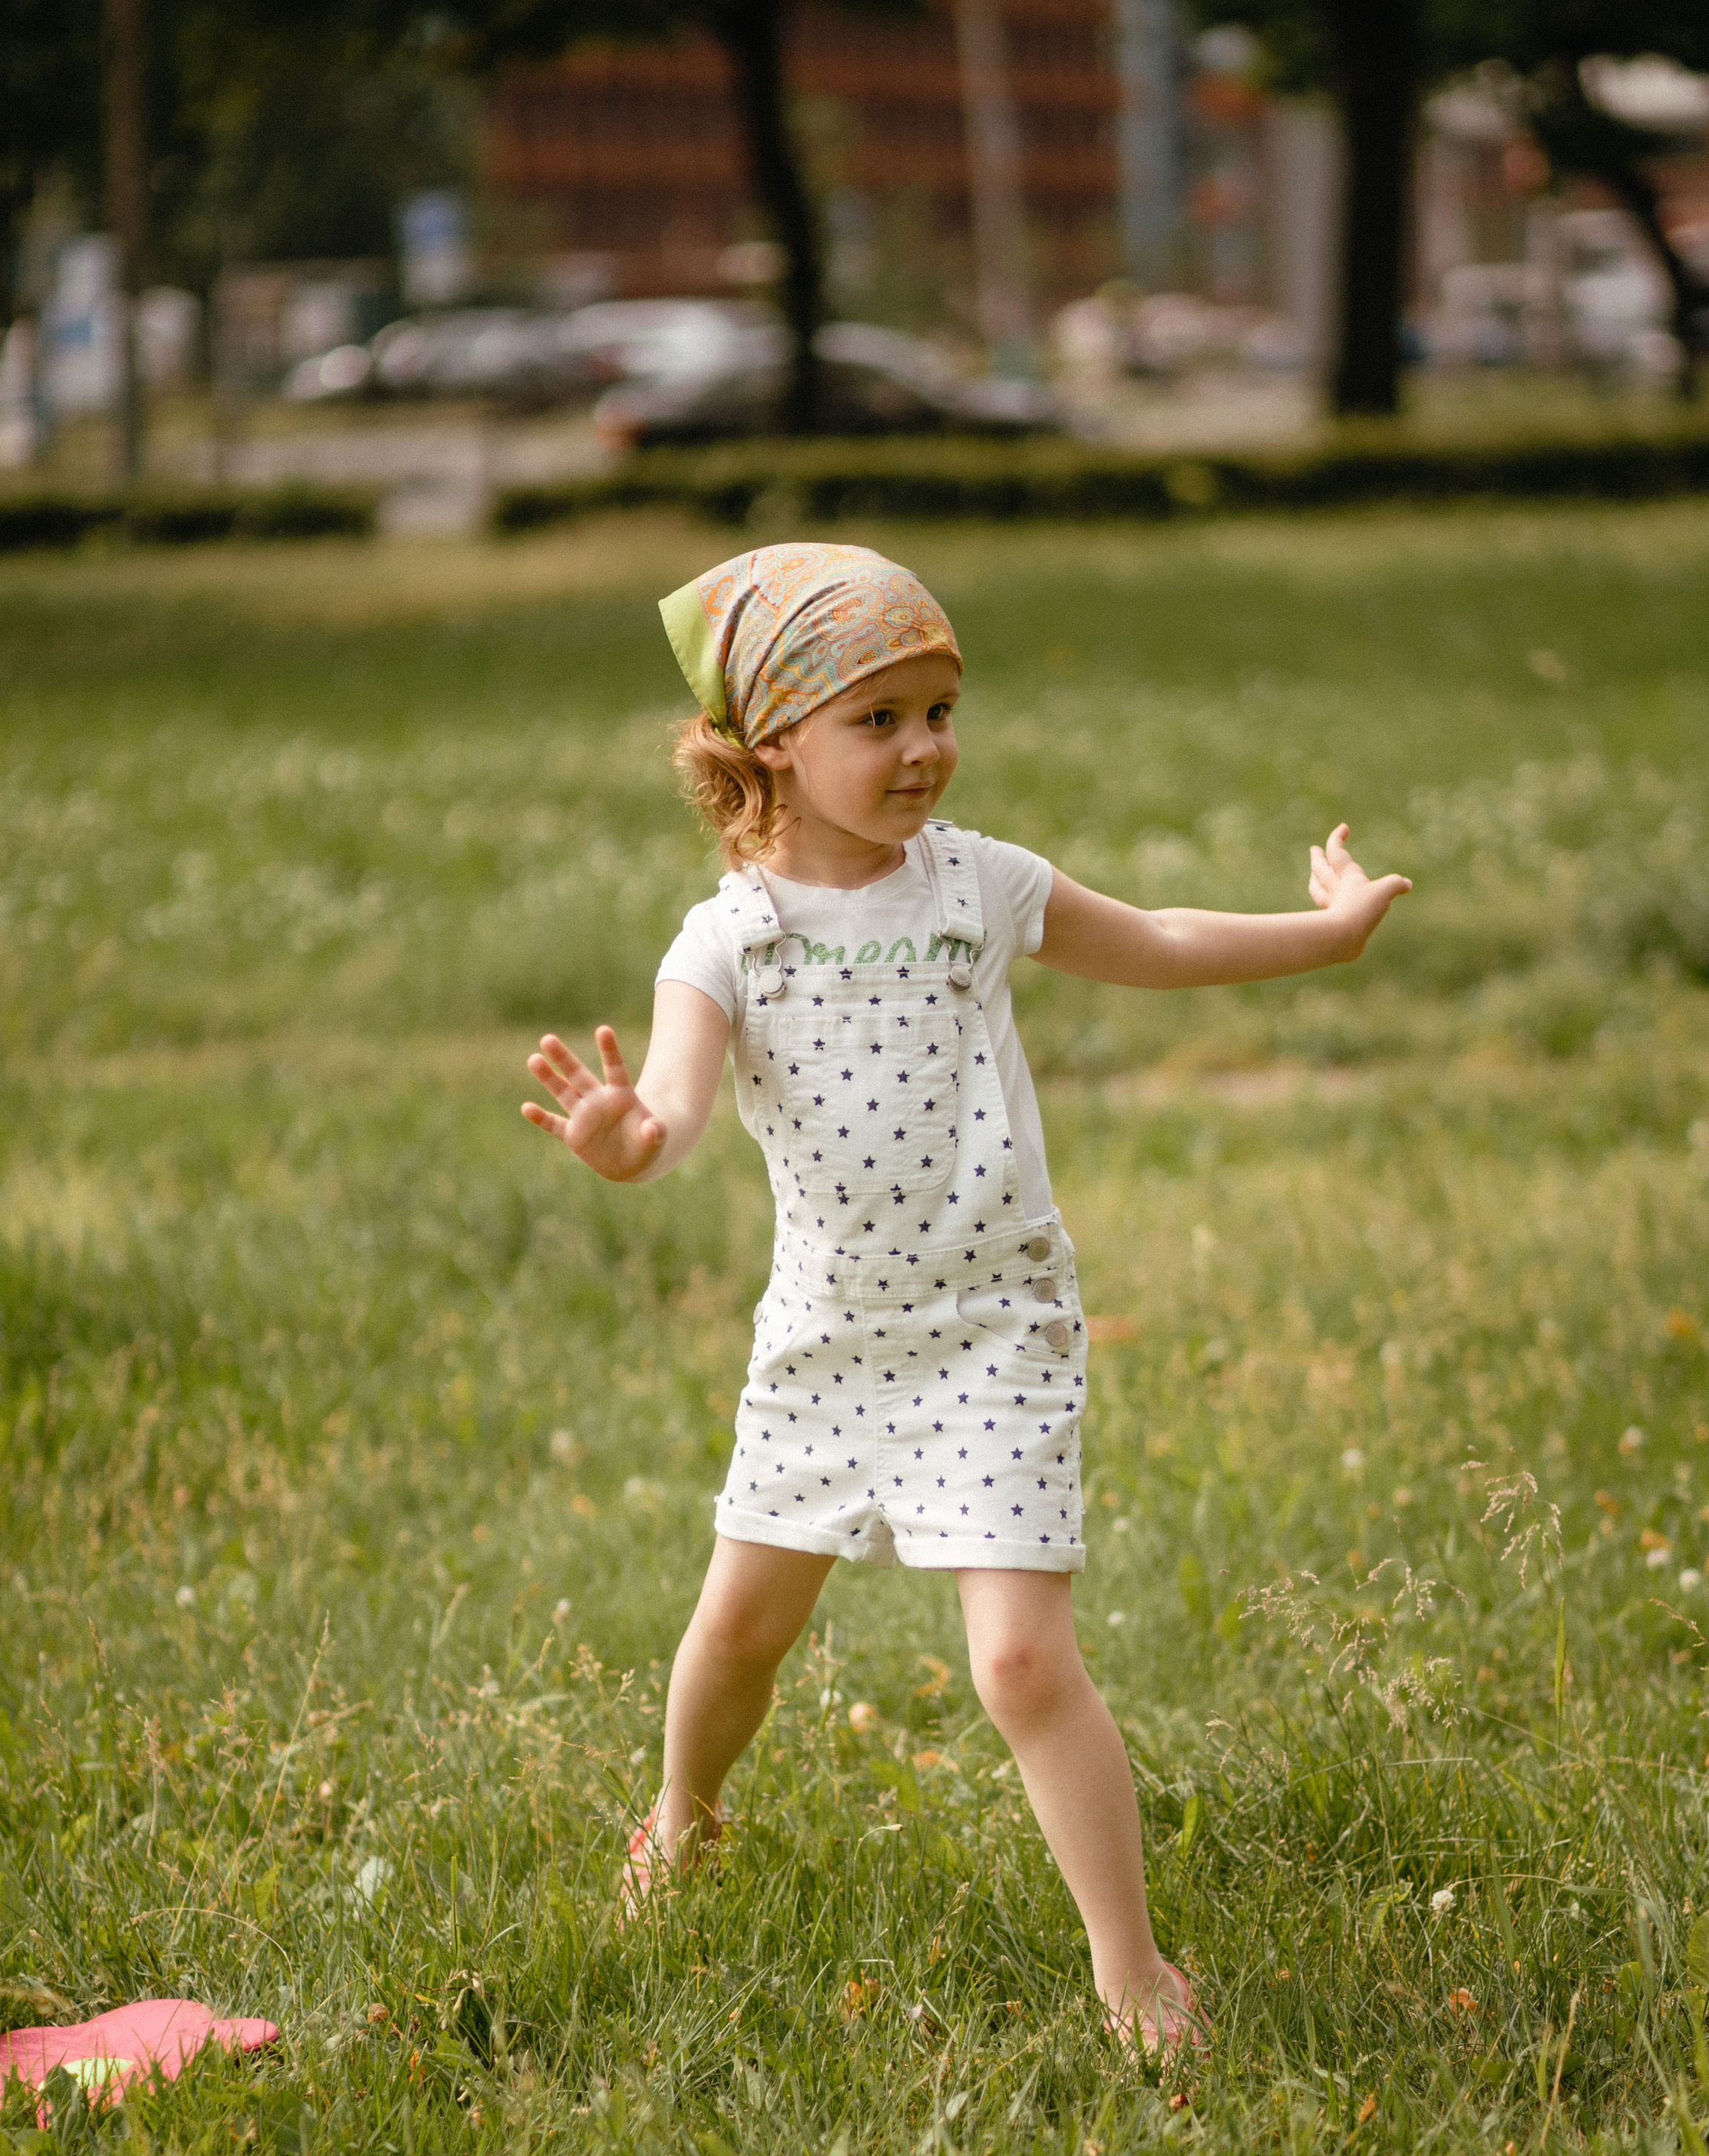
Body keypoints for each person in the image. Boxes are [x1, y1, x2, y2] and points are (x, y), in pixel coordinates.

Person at [523, 543, 1407, 2050]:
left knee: (1016, 1660)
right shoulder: (730, 937)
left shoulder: (979, 888)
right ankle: (680, 1815)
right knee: (739, 1629)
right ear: (768, 747)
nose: (924, 746)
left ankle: (1129, 1968)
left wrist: (1319, 934)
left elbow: (1160, 940)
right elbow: (663, 1110)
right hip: (826, 1340)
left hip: (994, 1332)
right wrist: (621, 1143)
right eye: (878, 719)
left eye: (940, 708)